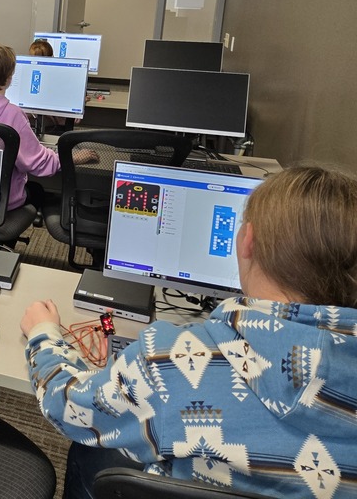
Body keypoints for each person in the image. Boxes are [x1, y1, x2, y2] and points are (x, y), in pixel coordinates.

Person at [21, 164, 357, 499]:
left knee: (89, 449)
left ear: (247, 241)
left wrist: (43, 334)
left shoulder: (172, 362)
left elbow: (69, 407)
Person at [0, 44, 95, 212]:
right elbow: (39, 164)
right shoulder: (12, 114)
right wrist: (72, 157)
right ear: (9, 77)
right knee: (38, 191)